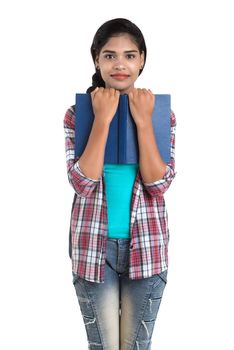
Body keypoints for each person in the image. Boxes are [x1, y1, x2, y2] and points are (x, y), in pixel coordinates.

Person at [64, 18, 176, 350]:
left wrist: (143, 122)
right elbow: (82, 183)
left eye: (129, 55)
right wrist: (102, 118)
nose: (120, 64)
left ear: (142, 59)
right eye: (110, 55)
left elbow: (159, 184)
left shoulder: (161, 114)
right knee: (104, 347)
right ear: (96, 59)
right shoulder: (77, 113)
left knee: (136, 346)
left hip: (148, 248)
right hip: (92, 248)